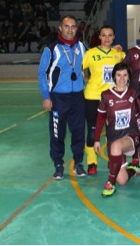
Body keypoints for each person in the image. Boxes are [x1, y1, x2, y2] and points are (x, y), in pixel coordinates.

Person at [38, 15, 87, 180]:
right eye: (67, 26)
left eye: (73, 26)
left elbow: (94, 61)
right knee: (57, 133)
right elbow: (42, 73)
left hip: (78, 97)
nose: (70, 29)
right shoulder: (50, 49)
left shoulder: (81, 46)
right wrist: (46, 96)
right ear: (60, 28)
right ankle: (58, 165)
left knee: (79, 132)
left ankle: (78, 163)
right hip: (58, 98)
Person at [93, 63, 140, 197]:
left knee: (116, 146)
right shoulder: (106, 95)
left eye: (125, 75)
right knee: (123, 180)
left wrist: (136, 155)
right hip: (114, 137)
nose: (122, 78)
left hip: (130, 136)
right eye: (118, 75)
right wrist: (96, 139)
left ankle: (110, 183)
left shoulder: (134, 92)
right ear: (113, 76)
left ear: (129, 77)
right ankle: (131, 169)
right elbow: (100, 118)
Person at [82, 26, 125, 175]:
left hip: (112, 98)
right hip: (93, 97)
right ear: (99, 37)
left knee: (112, 132)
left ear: (114, 37)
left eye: (110, 35)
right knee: (93, 131)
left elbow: (136, 57)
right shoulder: (90, 53)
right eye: (104, 35)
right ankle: (91, 162)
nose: (107, 38)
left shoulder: (117, 54)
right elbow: (76, 68)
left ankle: (112, 160)